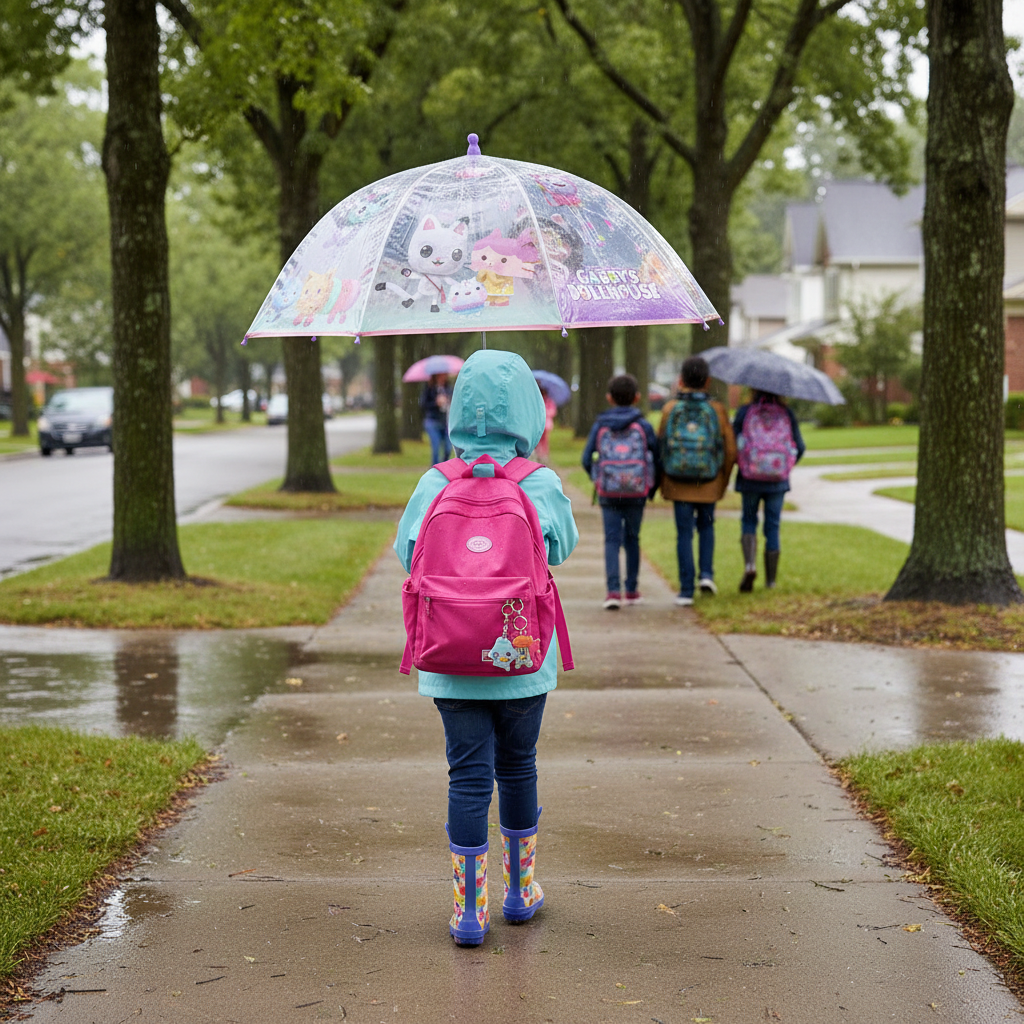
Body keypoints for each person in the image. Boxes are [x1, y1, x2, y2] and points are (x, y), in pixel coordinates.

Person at [395, 349, 579, 947]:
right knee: (518, 766)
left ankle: (467, 912)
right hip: (523, 661)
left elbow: (409, 556)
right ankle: (520, 894)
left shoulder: (432, 483)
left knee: (467, 776)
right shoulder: (541, 482)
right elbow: (561, 550)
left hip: (449, 659)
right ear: (529, 409)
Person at [658, 355, 736, 606]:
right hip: (709, 481)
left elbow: (660, 446)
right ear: (707, 381)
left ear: (681, 380)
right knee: (706, 527)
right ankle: (706, 575)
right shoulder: (717, 409)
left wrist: (663, 479)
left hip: (678, 481)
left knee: (683, 534)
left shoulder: (670, 408)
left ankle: (685, 589)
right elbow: (730, 449)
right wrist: (722, 481)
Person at [581, 373, 660, 610]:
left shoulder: (601, 425)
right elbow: (657, 455)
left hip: (609, 491)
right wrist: (651, 485)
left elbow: (586, 458)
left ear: (609, 397)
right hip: (637, 491)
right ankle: (632, 590)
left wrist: (598, 479)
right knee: (633, 539)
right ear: (637, 397)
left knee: (612, 540)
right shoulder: (643, 424)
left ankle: (613, 591)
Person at [732, 389, 805, 591]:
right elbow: (800, 446)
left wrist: (742, 461)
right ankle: (771, 581)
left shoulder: (745, 412)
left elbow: (733, 442)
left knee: (748, 520)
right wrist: (785, 466)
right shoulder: (786, 413)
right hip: (777, 481)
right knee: (772, 525)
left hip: (749, 477)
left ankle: (749, 565)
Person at [420, 372, 452, 464]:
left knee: (448, 448)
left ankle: (444, 467)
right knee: (436, 447)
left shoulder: (448, 389)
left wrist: (448, 400)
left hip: (445, 421)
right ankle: (434, 469)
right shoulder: (429, 389)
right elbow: (423, 404)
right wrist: (435, 403)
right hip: (433, 421)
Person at [534, 384, 558, 462]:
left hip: (546, 423)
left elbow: (553, 411)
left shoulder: (549, 401)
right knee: (538, 439)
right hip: (538, 422)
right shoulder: (538, 400)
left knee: (545, 439)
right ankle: (538, 453)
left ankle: (544, 454)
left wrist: (546, 412)